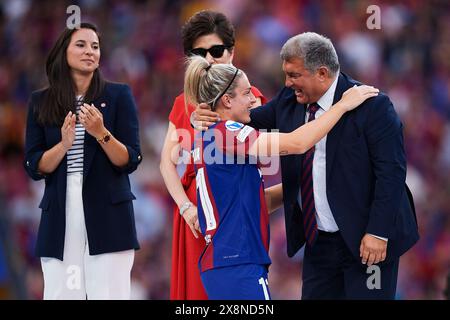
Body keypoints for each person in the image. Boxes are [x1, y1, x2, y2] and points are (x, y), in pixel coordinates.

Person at [193, 32, 420, 299]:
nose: (287, 83)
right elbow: (242, 121)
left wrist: (378, 233)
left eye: (294, 75)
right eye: (286, 74)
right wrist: (206, 114)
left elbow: (391, 173)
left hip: (366, 241)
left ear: (322, 73)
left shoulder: (372, 105)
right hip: (319, 244)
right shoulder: (289, 101)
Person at [23, 22, 142, 300]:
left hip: (109, 211)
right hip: (62, 211)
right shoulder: (41, 102)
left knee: (110, 294)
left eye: (95, 46)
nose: (90, 51)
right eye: (81, 44)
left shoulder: (118, 95)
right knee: (63, 293)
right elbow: (34, 165)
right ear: (63, 51)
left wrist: (101, 134)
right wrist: (63, 146)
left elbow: (131, 159)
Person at [159, 10, 267, 300]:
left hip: (233, 213)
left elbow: (266, 152)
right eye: (199, 53)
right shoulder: (184, 103)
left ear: (232, 53)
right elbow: (166, 164)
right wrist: (186, 208)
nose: (209, 59)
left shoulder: (249, 98)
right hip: (196, 215)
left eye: (216, 50)